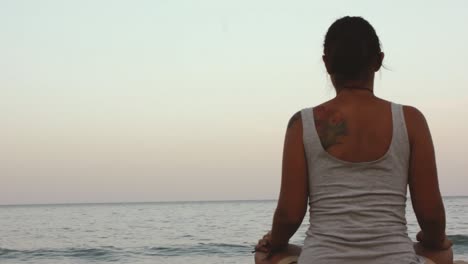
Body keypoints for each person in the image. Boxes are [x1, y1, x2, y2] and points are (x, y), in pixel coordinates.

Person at [253, 16, 453, 264]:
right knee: (442, 253)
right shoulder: (411, 120)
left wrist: (273, 240)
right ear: (379, 61)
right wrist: (436, 240)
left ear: (326, 64)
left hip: (322, 259)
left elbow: (288, 216)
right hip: (395, 259)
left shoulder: (301, 124)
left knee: (268, 255)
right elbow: (431, 217)